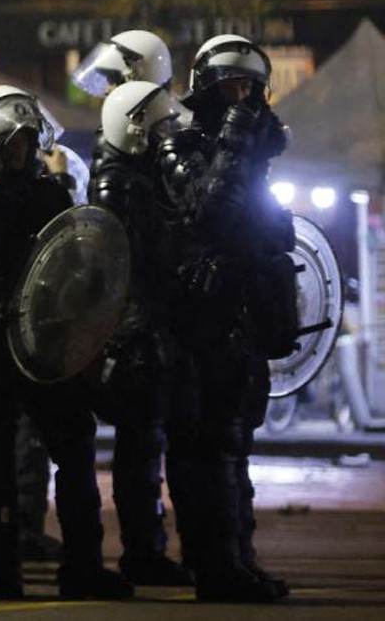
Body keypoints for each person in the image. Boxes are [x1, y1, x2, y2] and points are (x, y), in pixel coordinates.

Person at [0, 85, 131, 601]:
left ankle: (83, 566)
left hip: (48, 343)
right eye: (15, 139)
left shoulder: (49, 193)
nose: (24, 147)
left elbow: (75, 255)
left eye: (28, 138)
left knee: (75, 452)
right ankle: (4, 570)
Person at [158, 35, 295, 602]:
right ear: (209, 89)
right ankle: (213, 566)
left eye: (251, 87)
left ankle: (237, 557)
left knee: (234, 444)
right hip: (197, 320)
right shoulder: (179, 143)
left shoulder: (249, 152)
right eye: (233, 86)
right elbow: (208, 207)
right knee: (203, 446)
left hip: (240, 313)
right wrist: (240, 134)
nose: (244, 97)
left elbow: (258, 224)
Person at [86, 80, 195, 586]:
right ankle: (142, 550)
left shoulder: (135, 175)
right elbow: (141, 257)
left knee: (146, 445)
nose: (166, 135)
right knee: (140, 446)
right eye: (158, 127)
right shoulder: (120, 184)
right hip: (135, 330)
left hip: (144, 324)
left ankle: (147, 547)